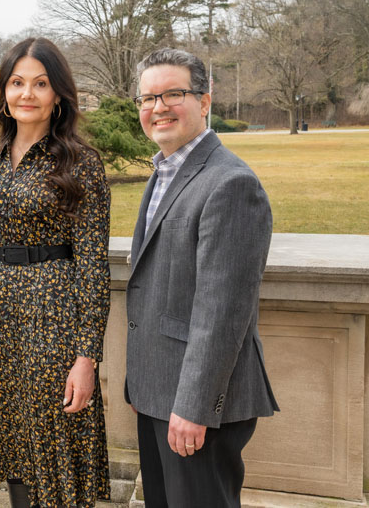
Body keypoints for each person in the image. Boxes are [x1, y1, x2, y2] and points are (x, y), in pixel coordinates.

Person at [125, 48, 280, 507]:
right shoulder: (164, 170)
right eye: (148, 97)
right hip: (158, 391)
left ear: (205, 101)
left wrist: (192, 407)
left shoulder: (230, 183)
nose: (158, 107)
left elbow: (223, 312)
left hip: (195, 405)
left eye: (174, 94)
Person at [0, 37, 111, 508]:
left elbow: (92, 262)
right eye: (17, 82)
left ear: (58, 95)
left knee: (58, 450)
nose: (27, 94)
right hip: (0, 320)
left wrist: (87, 357)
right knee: (15, 451)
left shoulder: (80, 162)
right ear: (4, 92)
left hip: (55, 313)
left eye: (40, 84)